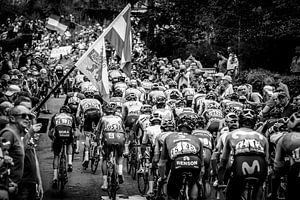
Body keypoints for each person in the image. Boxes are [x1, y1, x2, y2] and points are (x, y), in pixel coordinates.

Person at [218, 109, 269, 200]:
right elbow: (267, 160)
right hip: (260, 163)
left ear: (240, 121)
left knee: (231, 194)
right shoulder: (263, 138)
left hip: (240, 163)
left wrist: (220, 179)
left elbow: (224, 159)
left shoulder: (231, 135)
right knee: (259, 185)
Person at [159, 110, 204, 200]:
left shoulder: (168, 137)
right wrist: (200, 180)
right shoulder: (196, 139)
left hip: (177, 161)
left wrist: (162, 177)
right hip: (195, 161)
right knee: (194, 182)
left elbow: (162, 162)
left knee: (172, 191)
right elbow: (202, 163)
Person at [0, 105, 36, 199]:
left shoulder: (17, 134)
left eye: (29, 116)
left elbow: (20, 152)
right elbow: (1, 158)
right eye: (24, 115)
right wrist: (5, 185)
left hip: (17, 186)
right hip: (9, 188)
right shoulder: (8, 134)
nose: (28, 118)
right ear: (12, 118)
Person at [96, 103, 126, 190]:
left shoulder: (103, 118)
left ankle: (105, 183)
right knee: (120, 156)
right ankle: (120, 172)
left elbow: (98, 132)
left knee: (105, 158)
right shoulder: (119, 118)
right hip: (120, 137)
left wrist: (98, 143)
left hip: (108, 137)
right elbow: (124, 131)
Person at [48, 105, 76, 188]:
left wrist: (52, 139)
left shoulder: (55, 116)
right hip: (68, 136)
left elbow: (50, 131)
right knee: (70, 143)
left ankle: (55, 177)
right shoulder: (71, 117)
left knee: (56, 155)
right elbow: (74, 130)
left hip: (58, 137)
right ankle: (70, 162)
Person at [76, 90, 102, 168]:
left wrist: (81, 123)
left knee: (87, 136)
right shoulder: (97, 101)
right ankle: (97, 150)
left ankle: (86, 156)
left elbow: (77, 115)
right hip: (97, 113)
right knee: (97, 133)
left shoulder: (82, 101)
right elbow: (101, 113)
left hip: (87, 114)